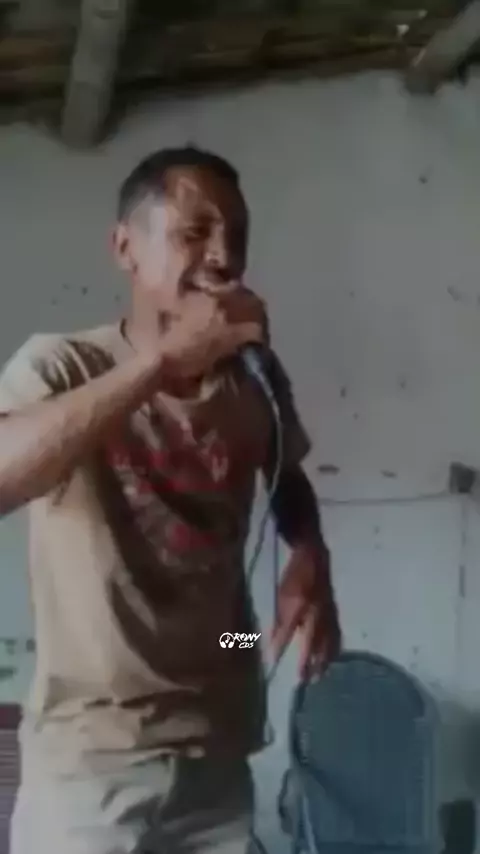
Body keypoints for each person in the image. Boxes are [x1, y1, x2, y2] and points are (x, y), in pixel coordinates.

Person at [0, 146, 341, 854]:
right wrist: (160, 364)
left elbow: (286, 472)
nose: (224, 257)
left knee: (247, 639)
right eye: (195, 232)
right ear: (125, 247)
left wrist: (310, 555)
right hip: (92, 772)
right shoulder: (63, 366)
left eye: (237, 237)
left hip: (219, 750)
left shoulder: (254, 379)